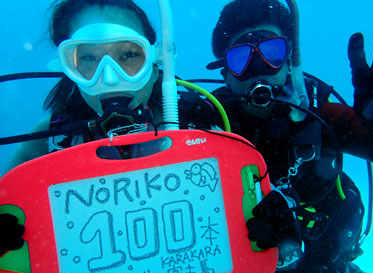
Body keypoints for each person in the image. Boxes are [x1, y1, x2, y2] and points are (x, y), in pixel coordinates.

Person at [206, 0, 373, 273]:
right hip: (243, 261)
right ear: (225, 73)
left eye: (272, 53)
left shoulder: (320, 114)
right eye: (241, 57)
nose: (259, 68)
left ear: (290, 61)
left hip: (318, 258)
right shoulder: (205, 122)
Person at [0, 0, 216, 256]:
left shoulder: (198, 124)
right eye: (89, 58)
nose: (110, 78)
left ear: (156, 60)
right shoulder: (47, 142)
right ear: (69, 68)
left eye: (128, 55)